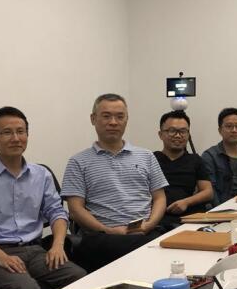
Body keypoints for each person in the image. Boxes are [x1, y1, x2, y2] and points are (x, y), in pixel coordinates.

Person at [0, 107, 85, 289]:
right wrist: (1, 256)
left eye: (21, 131)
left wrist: (57, 245)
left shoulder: (41, 174)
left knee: (78, 278)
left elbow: (57, 212)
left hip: (35, 251)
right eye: (7, 132)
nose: (16, 138)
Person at [61, 94, 168, 272]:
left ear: (127, 120)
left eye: (120, 116)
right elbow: (75, 209)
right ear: (93, 119)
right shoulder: (78, 162)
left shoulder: (146, 156)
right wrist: (107, 230)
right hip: (103, 236)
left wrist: (149, 225)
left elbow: (159, 198)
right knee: (149, 250)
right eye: (106, 116)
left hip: (145, 231)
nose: (113, 122)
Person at [154, 110, 213, 228]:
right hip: (158, 219)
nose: (178, 135)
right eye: (172, 131)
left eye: (183, 131)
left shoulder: (195, 160)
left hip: (189, 218)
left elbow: (208, 192)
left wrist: (186, 202)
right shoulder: (151, 159)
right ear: (160, 134)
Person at [202, 107, 237, 206]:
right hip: (218, 211)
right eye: (229, 126)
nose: (234, 130)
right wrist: (222, 210)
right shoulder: (210, 157)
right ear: (220, 130)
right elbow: (210, 192)